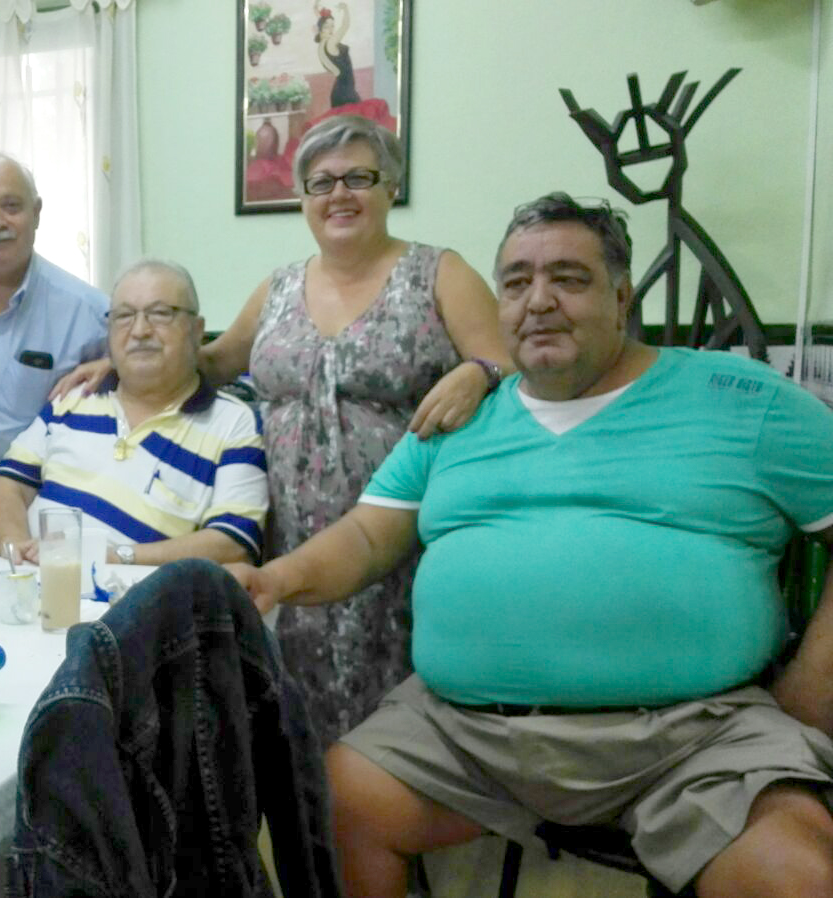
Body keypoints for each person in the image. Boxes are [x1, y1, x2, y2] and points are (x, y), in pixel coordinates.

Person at [235, 193, 833, 897]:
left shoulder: (742, 400)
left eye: (568, 279)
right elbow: (368, 536)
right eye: (516, 282)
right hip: (464, 735)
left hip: (694, 738)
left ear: (620, 295)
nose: (538, 300)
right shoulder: (460, 416)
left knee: (795, 872)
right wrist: (275, 579)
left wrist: (811, 687)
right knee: (336, 802)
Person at [58, 115, 509, 745]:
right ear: (301, 199)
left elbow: (511, 370)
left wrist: (480, 373)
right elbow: (208, 363)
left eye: (359, 177)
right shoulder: (279, 288)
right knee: (292, 722)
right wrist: (127, 359)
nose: (339, 195)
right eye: (320, 182)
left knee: (400, 731)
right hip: (287, 546)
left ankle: (391, 832)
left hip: (402, 541)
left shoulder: (439, 274)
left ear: (391, 186)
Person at [0, 260, 266, 566]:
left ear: (197, 331)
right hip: (36, 585)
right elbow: (5, 488)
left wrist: (115, 557)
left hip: (141, 607)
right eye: (125, 316)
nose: (140, 331)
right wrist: (17, 549)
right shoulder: (75, 396)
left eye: (160, 314)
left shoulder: (233, 423)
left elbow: (233, 543)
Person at [314, 2, 360, 108]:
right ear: (321, 29)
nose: (331, 29)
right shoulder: (330, 42)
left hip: (341, 91)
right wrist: (345, 9)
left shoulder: (322, 45)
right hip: (346, 93)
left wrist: (316, 10)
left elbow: (320, 22)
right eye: (327, 27)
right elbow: (345, 25)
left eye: (332, 26)